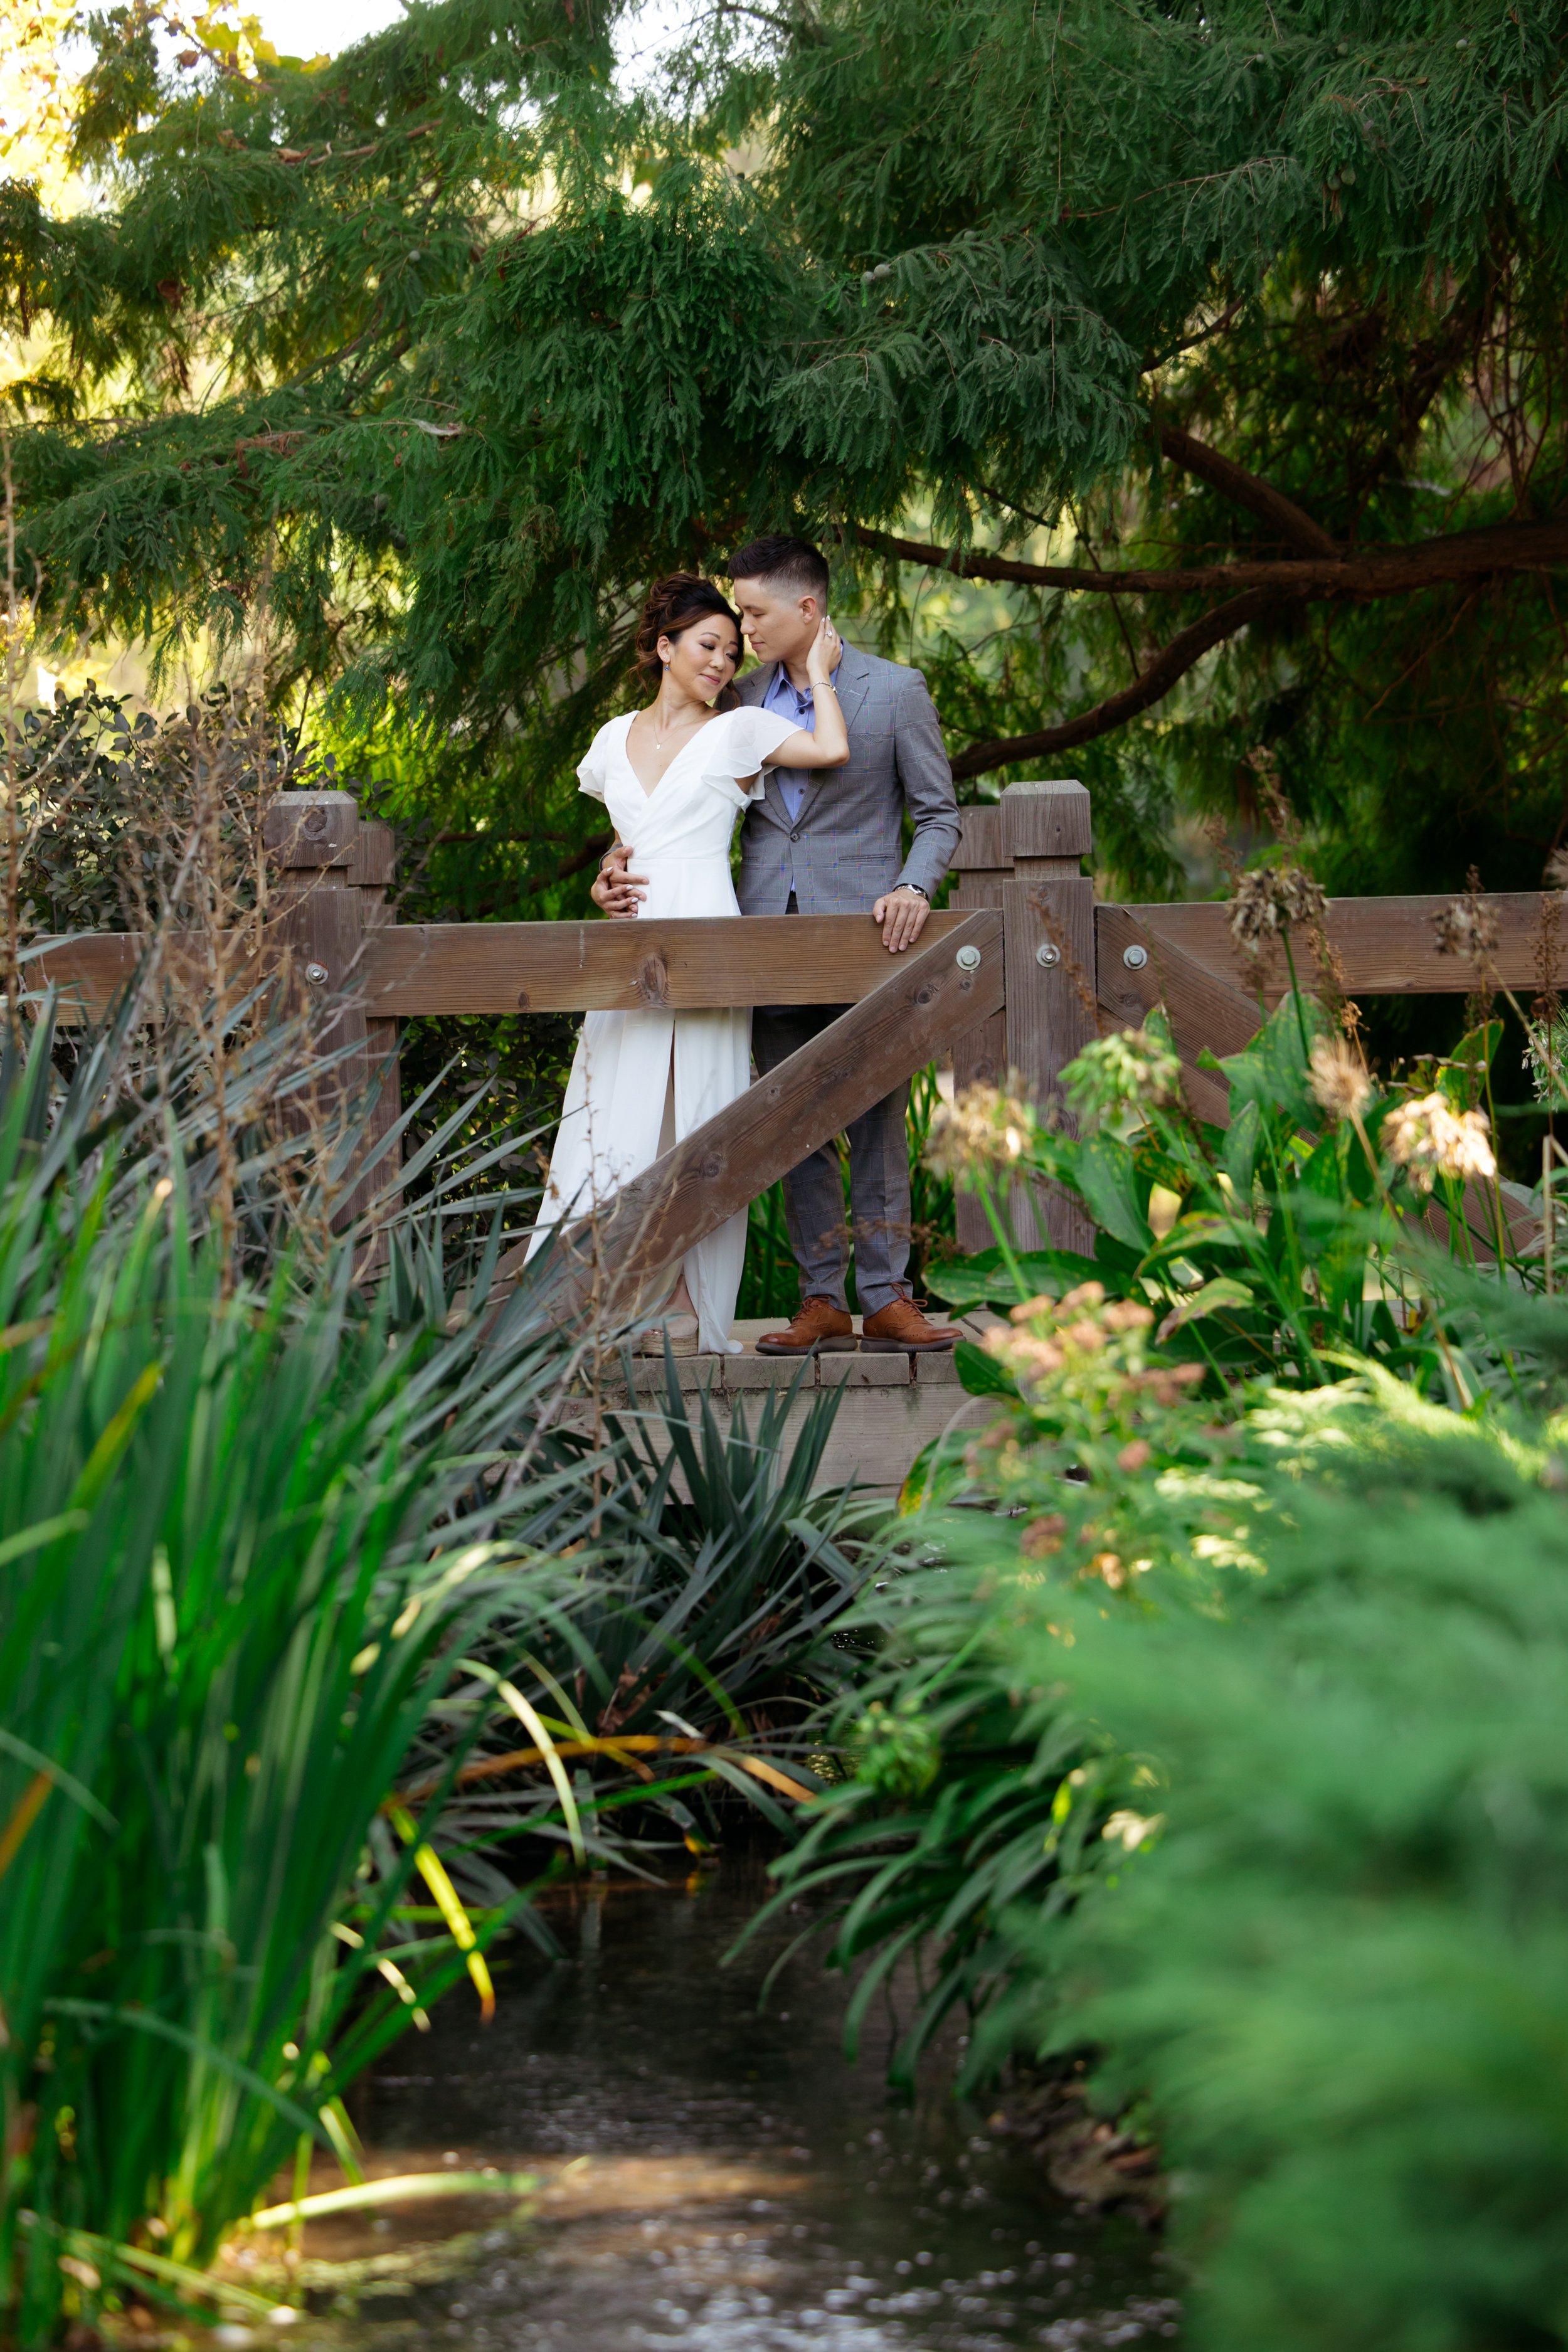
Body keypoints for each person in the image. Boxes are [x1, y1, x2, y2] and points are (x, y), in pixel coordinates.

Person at [596, 534, 961, 1355]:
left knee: (875, 1118)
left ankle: (889, 1295)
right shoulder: (736, 698)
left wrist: (914, 886)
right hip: (758, 939)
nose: (743, 630)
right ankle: (820, 1297)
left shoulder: (895, 692)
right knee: (789, 1120)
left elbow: (939, 816)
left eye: (755, 612)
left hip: (867, 940)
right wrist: (616, 862)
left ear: (807, 608)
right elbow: (671, 798)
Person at [526, 573, 847, 1355]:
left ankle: (675, 1295)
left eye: (731, 653)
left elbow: (831, 749)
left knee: (690, 1114)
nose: (720, 664)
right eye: (707, 646)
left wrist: (816, 678)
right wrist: (605, 876)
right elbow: (632, 835)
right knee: (613, 1114)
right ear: (663, 647)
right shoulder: (609, 740)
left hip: (707, 930)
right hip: (629, 943)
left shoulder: (739, 731)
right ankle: (590, 1296)